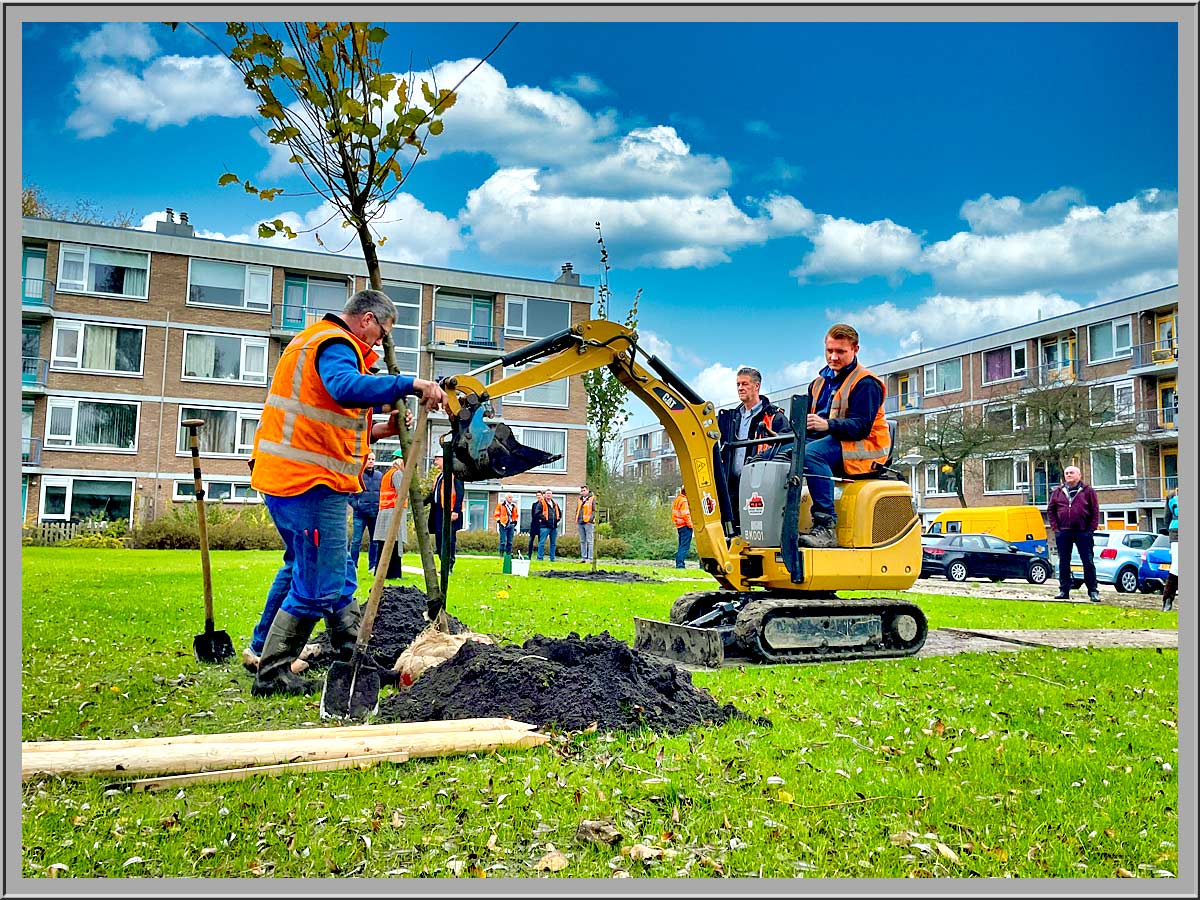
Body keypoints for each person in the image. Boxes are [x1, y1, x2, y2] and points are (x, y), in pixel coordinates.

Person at [247, 289, 445, 696]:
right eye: (381, 333)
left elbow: (332, 421)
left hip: (299, 477)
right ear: (368, 319)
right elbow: (345, 387)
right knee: (319, 583)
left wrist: (386, 429)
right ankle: (273, 673)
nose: (379, 343)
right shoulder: (334, 343)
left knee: (334, 577)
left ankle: (351, 656)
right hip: (309, 482)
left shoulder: (313, 343)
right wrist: (411, 383)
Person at [798, 323, 889, 549]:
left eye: (840, 351)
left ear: (855, 349)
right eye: (830, 351)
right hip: (830, 439)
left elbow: (861, 427)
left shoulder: (866, 383)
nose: (833, 357)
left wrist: (826, 424)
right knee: (778, 454)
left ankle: (826, 527)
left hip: (863, 447)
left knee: (811, 455)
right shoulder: (818, 383)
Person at [717, 366, 791, 533]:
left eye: (745, 384)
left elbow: (788, 448)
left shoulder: (774, 417)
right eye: (738, 384)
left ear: (756, 386)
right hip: (732, 484)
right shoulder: (731, 418)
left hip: (759, 485)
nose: (740, 388)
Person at [1046, 465, 1102, 602]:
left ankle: (1093, 591)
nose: (1069, 475)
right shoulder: (1058, 492)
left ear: (1079, 475)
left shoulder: (1088, 491)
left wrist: (1090, 530)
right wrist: (1056, 528)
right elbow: (1050, 510)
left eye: (1072, 473)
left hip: (1083, 532)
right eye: (1066, 473)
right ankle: (1064, 590)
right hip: (1063, 532)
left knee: (1087, 561)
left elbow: (1095, 511)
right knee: (1064, 562)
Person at [372, 451, 408, 578]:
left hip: (386, 511)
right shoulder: (398, 474)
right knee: (393, 543)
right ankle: (393, 573)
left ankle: (383, 572)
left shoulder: (388, 473)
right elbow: (403, 493)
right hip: (393, 512)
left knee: (385, 544)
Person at [426, 456, 464, 573]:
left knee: (449, 539)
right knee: (439, 539)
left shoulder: (455, 475)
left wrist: (456, 511)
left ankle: (449, 566)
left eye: (437, 459)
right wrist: (421, 502)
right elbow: (434, 494)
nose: (435, 462)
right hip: (438, 511)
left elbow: (459, 493)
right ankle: (443, 564)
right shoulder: (440, 476)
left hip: (449, 511)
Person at [348, 450, 382, 572]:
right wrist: (356, 505)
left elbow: (382, 493)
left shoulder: (379, 476)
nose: (371, 461)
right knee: (356, 541)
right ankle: (353, 566)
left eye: (373, 459)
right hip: (360, 514)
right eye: (369, 459)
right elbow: (349, 494)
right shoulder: (357, 475)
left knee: (375, 542)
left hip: (375, 514)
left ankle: (372, 566)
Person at [1162, 487, 1179, 611]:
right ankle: (1168, 600)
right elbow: (1167, 518)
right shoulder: (1171, 497)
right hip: (1176, 532)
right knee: (1176, 565)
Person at [672, 486, 693, 569]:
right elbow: (686, 515)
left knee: (681, 545)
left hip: (680, 525)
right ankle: (680, 564)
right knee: (684, 546)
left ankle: (679, 563)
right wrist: (691, 525)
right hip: (685, 526)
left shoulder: (678, 499)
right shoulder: (684, 501)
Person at [537, 491, 562, 561]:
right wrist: (545, 520)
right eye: (547, 494)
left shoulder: (555, 504)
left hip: (554, 527)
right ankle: (540, 558)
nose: (548, 495)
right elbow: (538, 513)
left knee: (553, 543)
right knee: (542, 543)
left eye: (550, 494)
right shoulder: (541, 503)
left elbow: (559, 514)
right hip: (544, 526)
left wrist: (557, 520)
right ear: (544, 495)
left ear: (552, 495)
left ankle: (552, 558)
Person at [494, 492, 518, 557]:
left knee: (510, 541)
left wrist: (515, 522)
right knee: (503, 541)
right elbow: (496, 514)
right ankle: (501, 555)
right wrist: (500, 521)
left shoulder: (514, 506)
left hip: (511, 525)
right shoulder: (501, 505)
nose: (511, 499)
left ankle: (508, 555)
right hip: (503, 524)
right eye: (509, 497)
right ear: (506, 498)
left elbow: (515, 515)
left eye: (511, 497)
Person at [577, 486, 597, 563]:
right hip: (580, 522)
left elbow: (595, 510)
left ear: (588, 491)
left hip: (588, 522)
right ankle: (583, 557)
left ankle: (590, 558)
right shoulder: (580, 499)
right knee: (582, 541)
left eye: (584, 490)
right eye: (581, 491)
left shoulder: (592, 498)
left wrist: (590, 519)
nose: (582, 492)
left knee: (589, 540)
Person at [528, 490, 546, 558]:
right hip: (534, 525)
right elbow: (533, 515)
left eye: (540, 495)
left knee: (540, 542)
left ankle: (540, 556)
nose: (539, 497)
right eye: (537, 496)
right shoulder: (534, 504)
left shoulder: (544, 504)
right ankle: (529, 555)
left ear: (542, 496)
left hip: (541, 525)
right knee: (530, 541)